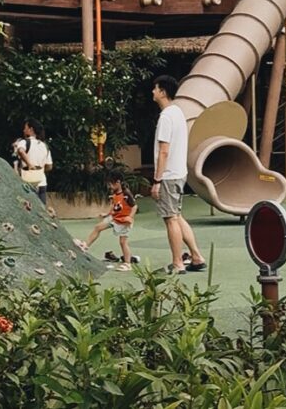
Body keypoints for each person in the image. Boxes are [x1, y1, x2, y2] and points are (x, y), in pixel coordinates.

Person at [150, 75, 206, 275]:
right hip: (179, 172)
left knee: (171, 219)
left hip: (168, 175)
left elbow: (164, 151)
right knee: (177, 216)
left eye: (155, 88)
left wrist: (157, 180)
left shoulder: (166, 117)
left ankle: (177, 263)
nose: (153, 92)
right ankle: (196, 256)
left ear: (163, 92)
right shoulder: (178, 113)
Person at [78, 170, 138, 270]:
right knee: (98, 227)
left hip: (124, 221)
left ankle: (128, 264)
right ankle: (85, 245)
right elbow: (113, 205)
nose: (109, 186)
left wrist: (130, 217)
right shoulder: (114, 193)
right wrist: (107, 214)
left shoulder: (126, 194)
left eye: (111, 184)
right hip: (114, 217)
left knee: (123, 242)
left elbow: (134, 206)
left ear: (118, 182)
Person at [14, 118, 53, 205]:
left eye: (25, 128)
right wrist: (39, 170)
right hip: (41, 182)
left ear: (31, 129)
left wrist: (29, 164)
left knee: (27, 208)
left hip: (27, 183)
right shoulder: (44, 146)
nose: (23, 130)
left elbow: (20, 151)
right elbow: (49, 166)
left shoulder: (24, 142)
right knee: (41, 210)